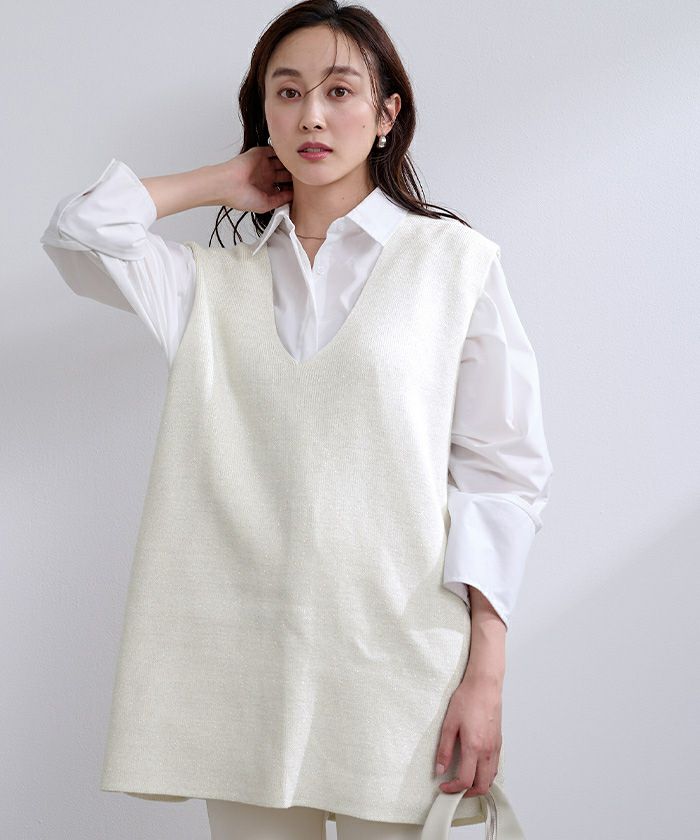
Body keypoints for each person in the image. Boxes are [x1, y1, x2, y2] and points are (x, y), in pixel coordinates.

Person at [40, 1, 553, 838]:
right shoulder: (207, 284)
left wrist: (485, 676)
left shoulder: (455, 266)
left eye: (340, 90)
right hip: (238, 668)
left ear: (387, 115)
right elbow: (77, 232)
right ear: (265, 116)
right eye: (287, 92)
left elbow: (503, 479)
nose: (312, 114)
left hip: (397, 662)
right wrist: (220, 181)